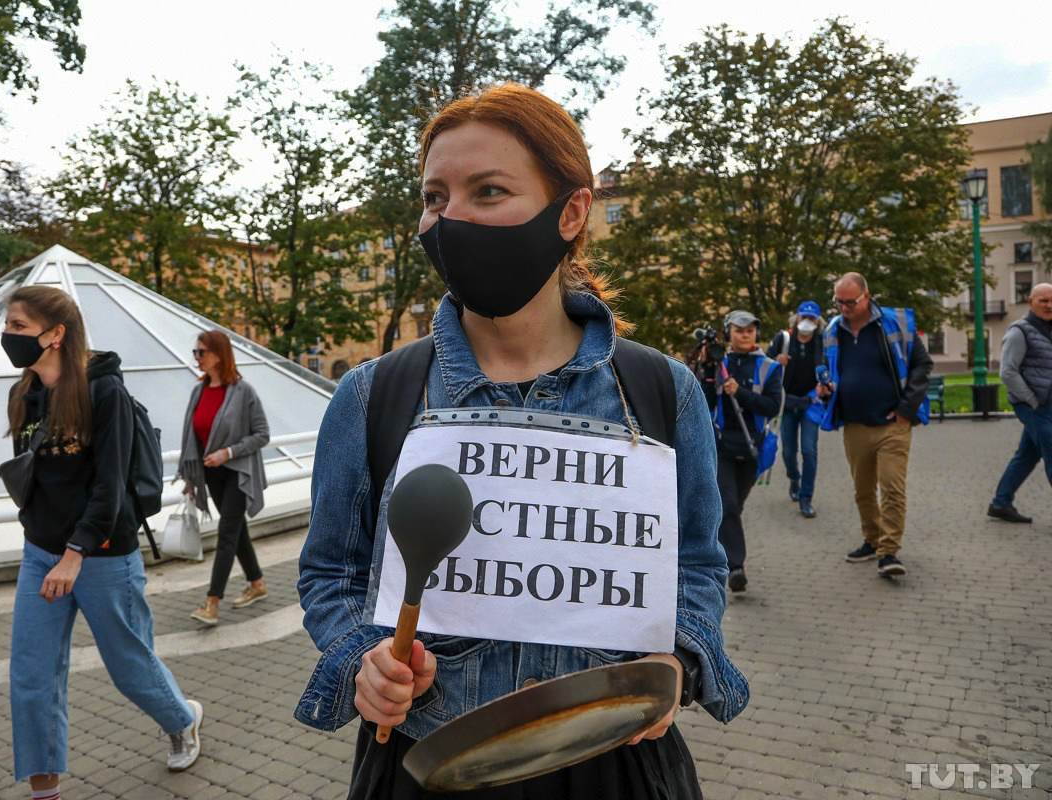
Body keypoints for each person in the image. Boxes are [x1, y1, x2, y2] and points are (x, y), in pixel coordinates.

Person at [294, 84, 748, 799]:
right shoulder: (372, 396)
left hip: (615, 762)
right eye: (436, 197)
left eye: (489, 190)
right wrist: (364, 660)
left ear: (570, 212)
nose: (452, 219)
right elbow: (332, 572)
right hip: (429, 760)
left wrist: (680, 661)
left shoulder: (662, 392)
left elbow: (695, 564)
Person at [3, 286, 202, 800]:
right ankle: (45, 790)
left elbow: (110, 486)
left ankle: (182, 718)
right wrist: (40, 533)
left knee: (130, 666)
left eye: (18, 327)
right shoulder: (24, 394)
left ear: (55, 334)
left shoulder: (103, 392)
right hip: (40, 555)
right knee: (31, 677)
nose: (8, 336)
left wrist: (75, 555)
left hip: (104, 557)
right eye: (8, 326)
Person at [818, 273, 932, 578]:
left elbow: (923, 365)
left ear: (867, 296)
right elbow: (831, 372)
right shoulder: (832, 330)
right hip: (854, 424)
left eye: (850, 301)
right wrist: (826, 390)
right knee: (863, 490)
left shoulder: (895, 323)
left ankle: (889, 552)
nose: (843, 307)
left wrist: (907, 409)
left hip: (892, 424)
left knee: (892, 487)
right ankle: (871, 539)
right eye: (838, 301)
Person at [178, 329, 272, 626]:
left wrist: (227, 453)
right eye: (195, 352)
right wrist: (193, 478)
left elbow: (262, 435)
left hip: (237, 472)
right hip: (211, 474)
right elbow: (194, 438)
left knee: (226, 535)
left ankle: (212, 601)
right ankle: (257, 584)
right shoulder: (199, 390)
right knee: (237, 530)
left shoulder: (243, 392)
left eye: (201, 352)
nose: (197, 358)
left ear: (220, 354)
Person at [698, 311, 783, 593]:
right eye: (739, 330)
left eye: (750, 330)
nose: (746, 335)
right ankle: (735, 567)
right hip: (721, 444)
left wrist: (741, 393)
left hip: (752, 446)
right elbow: (704, 399)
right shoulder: (719, 362)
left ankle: (723, 547)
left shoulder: (769, 367)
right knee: (727, 505)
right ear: (728, 333)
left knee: (735, 506)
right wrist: (709, 373)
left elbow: (771, 406)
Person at [988, 282, 1052, 523]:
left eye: (1051, 300)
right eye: (1043, 300)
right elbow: (1007, 372)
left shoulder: (1048, 329)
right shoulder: (1019, 331)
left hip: (1046, 405)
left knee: (1027, 455)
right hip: (1036, 406)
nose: (1049, 305)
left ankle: (1001, 503)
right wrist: (1031, 401)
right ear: (1031, 302)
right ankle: (1001, 502)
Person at [765, 301, 827, 518]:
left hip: (811, 404)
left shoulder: (822, 342)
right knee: (789, 451)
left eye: (812, 319)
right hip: (787, 404)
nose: (807, 322)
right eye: (804, 317)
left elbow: (829, 371)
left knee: (809, 450)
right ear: (797, 318)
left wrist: (825, 386)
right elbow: (764, 364)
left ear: (817, 321)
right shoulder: (784, 339)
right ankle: (794, 477)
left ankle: (806, 497)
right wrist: (775, 362)